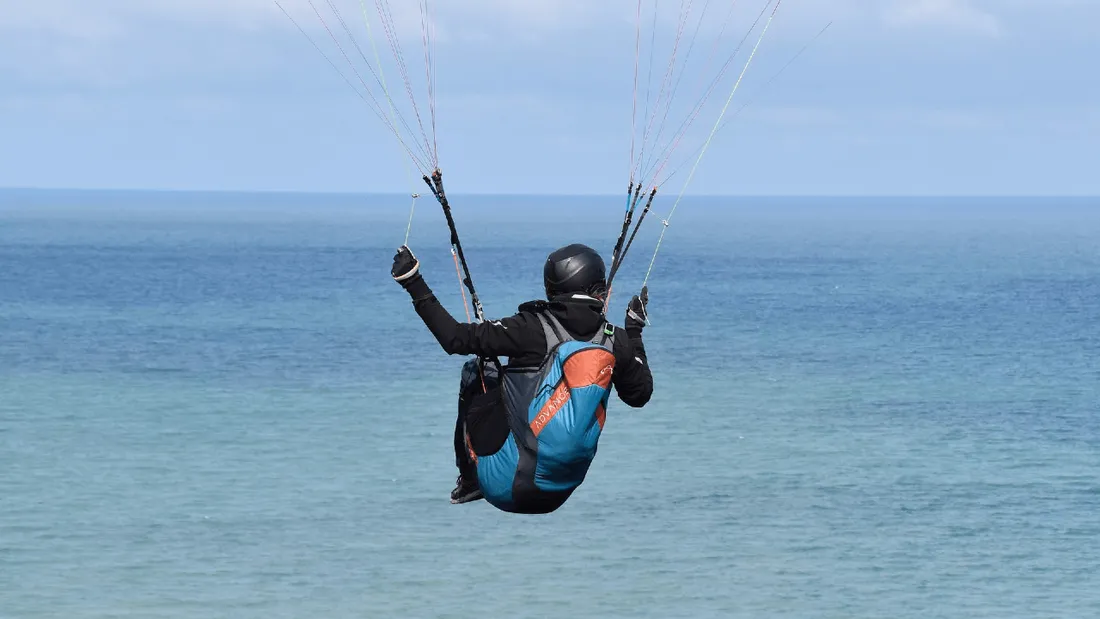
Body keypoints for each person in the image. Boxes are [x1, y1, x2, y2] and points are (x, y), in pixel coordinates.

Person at [391, 242, 654, 514]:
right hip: (559, 491)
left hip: (506, 485)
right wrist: (634, 331)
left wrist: (412, 281)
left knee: (477, 370)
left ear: (552, 289)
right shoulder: (616, 340)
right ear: (596, 287)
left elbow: (454, 338)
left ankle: (470, 480)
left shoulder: (530, 327)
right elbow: (639, 394)